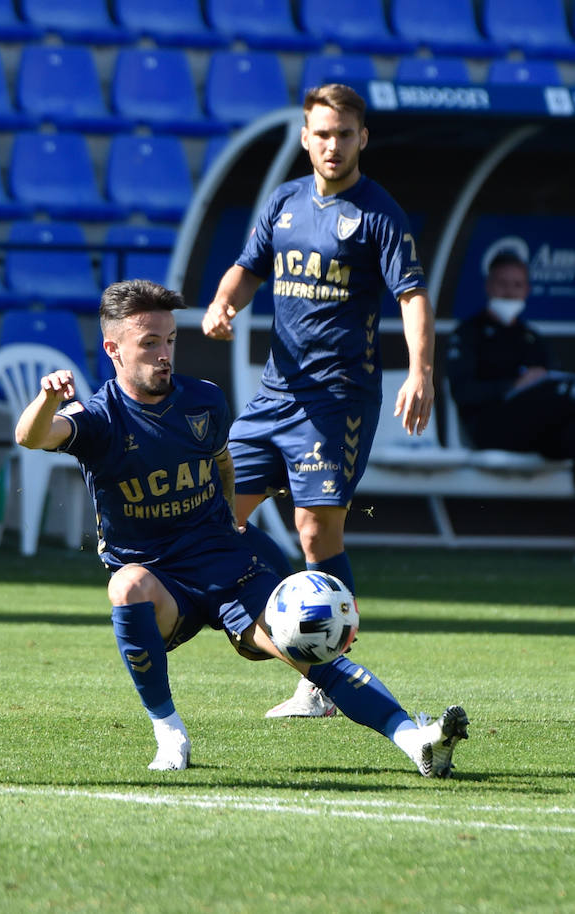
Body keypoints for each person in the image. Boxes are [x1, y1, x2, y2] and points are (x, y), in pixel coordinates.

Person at [16, 279, 467, 775]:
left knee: (303, 646)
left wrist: (232, 509)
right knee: (125, 587)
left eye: (169, 340)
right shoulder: (99, 417)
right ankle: (169, 734)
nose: (164, 354)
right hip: (162, 579)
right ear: (113, 349)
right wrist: (46, 400)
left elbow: (222, 460)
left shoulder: (203, 400)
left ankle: (416, 741)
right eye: (149, 343)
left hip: (232, 564)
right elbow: (31, 436)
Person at [201, 83, 436, 719]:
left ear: (363, 138)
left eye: (344, 134)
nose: (332, 145)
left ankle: (323, 679)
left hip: (337, 402)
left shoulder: (378, 213)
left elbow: (411, 296)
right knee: (215, 515)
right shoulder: (283, 202)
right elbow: (246, 269)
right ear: (306, 138)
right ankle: (267, 612)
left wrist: (421, 372)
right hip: (274, 396)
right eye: (322, 134)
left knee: (314, 530)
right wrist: (225, 303)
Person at [446, 250, 575, 484]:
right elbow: (463, 392)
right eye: (502, 283)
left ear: (526, 290)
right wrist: (515, 385)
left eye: (517, 285)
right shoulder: (468, 333)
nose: (509, 291)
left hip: (538, 431)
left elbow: (553, 383)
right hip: (491, 428)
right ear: (488, 286)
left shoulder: (532, 337)